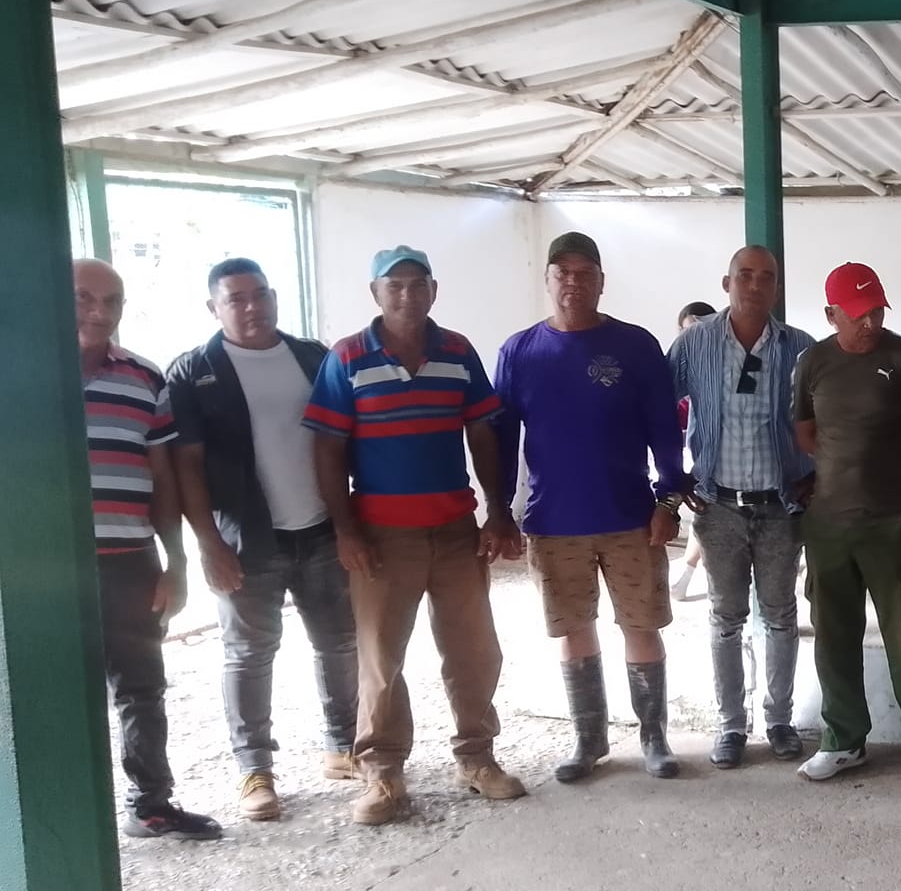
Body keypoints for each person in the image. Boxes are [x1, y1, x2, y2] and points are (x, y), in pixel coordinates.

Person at [304, 246, 526, 826]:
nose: (407, 294)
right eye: (394, 284)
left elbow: (482, 432)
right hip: (380, 537)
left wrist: (498, 512)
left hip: (454, 531)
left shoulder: (457, 351)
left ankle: (476, 758)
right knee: (381, 658)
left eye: (417, 283)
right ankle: (383, 774)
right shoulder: (347, 357)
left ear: (433, 290)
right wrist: (345, 530)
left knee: (474, 649)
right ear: (375, 293)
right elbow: (326, 448)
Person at [166, 257, 357, 823]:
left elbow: (346, 439)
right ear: (214, 308)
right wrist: (208, 544)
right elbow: (187, 465)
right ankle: (255, 770)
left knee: (339, 642)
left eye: (260, 295)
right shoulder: (194, 370)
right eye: (236, 299)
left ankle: (343, 746)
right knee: (249, 654)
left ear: (274, 297)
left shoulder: (312, 357)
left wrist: (351, 523)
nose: (252, 307)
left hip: (320, 529)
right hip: (246, 541)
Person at [495, 232, 689, 784]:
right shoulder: (519, 351)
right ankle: (589, 739)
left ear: (602, 281)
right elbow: (502, 438)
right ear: (547, 280)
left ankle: (653, 737)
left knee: (642, 625)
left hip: (631, 518)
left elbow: (664, 429)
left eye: (585, 274)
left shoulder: (635, 345)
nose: (573, 283)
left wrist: (668, 498)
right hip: (554, 522)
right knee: (573, 629)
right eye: (563, 273)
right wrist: (499, 510)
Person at [74, 259, 221, 842]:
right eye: (83, 298)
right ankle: (57, 817)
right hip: (41, 572)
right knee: (51, 692)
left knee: (141, 688)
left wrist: (176, 562)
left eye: (112, 301)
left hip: (128, 563)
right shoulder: (17, 370)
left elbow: (162, 477)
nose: (99, 312)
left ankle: (150, 804)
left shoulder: (142, 378)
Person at [792, 262, 901, 787]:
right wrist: (843, 472)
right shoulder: (812, 363)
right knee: (833, 636)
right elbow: (805, 432)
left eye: (877, 311)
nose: (870, 322)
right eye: (859, 313)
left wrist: (896, 473)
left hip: (894, 522)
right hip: (829, 526)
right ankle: (843, 741)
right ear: (831, 314)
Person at [668, 246, 816, 769]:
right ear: (727, 282)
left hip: (780, 505)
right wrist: (672, 480)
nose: (755, 285)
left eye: (766, 277)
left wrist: (815, 474)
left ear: (777, 286)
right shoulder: (695, 344)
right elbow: (659, 409)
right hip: (718, 506)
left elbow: (823, 417)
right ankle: (730, 725)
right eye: (745, 275)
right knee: (725, 618)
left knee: (780, 616)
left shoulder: (800, 347)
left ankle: (779, 721)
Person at [669, 300, 718, 601]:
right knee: (704, 515)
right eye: (686, 333)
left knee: (705, 517)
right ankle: (688, 575)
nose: (692, 340)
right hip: (700, 461)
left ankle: (687, 574)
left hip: (721, 464)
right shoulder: (682, 378)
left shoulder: (719, 371)